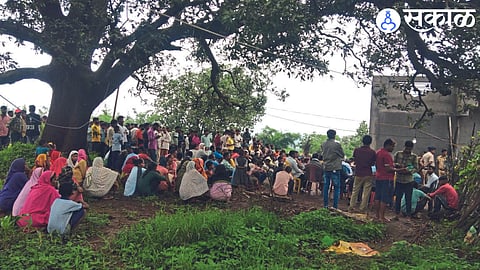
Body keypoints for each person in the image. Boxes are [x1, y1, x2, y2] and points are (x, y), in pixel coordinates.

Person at [374, 138, 400, 223]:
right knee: (384, 198)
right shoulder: (387, 155)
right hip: (386, 178)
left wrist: (394, 165)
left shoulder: (378, 152)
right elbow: (388, 169)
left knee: (377, 197)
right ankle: (382, 217)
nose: (393, 148)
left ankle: (377, 216)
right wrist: (400, 170)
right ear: (388, 145)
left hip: (378, 177)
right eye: (392, 146)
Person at [349, 135, 376, 213]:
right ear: (370, 142)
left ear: (362, 141)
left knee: (355, 190)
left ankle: (351, 206)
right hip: (368, 173)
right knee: (366, 192)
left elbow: (355, 160)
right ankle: (362, 208)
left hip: (358, 173)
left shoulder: (356, 150)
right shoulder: (372, 152)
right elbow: (372, 163)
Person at [393, 140, 418, 219]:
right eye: (407, 148)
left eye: (409, 149)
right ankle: (397, 213)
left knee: (408, 198)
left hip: (409, 180)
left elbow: (416, 168)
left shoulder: (414, 157)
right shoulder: (398, 154)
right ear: (404, 147)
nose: (408, 150)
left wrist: (409, 170)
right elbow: (393, 163)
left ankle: (408, 215)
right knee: (398, 197)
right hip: (399, 179)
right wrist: (398, 166)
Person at [321, 129, 345, 209]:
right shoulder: (337, 144)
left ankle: (325, 205)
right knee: (336, 187)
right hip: (335, 167)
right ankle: (335, 206)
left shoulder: (323, 144)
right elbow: (342, 155)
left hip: (326, 167)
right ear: (334, 135)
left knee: (326, 186)